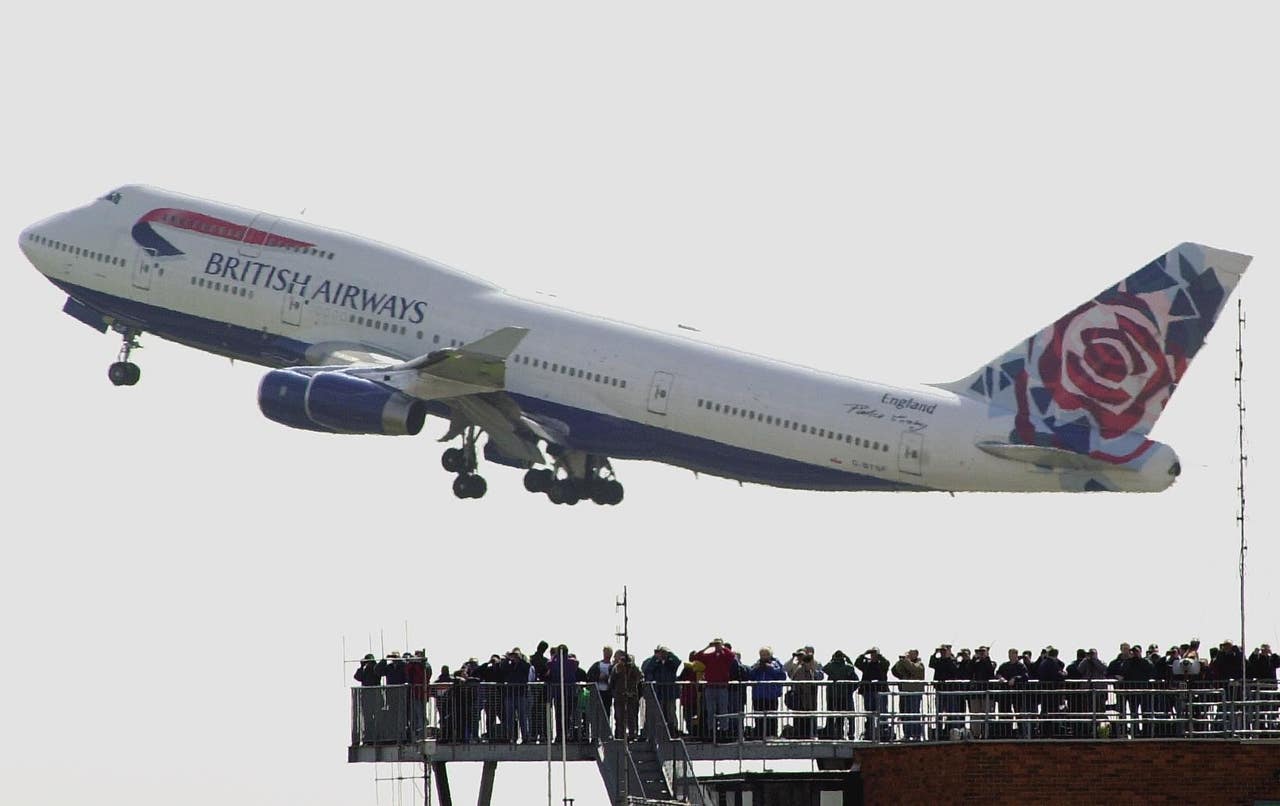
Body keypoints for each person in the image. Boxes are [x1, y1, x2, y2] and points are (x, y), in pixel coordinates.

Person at [695, 638, 736, 741]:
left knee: (723, 711)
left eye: (718, 644)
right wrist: (708, 647)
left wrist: (722, 647)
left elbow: (732, 655)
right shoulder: (710, 656)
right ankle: (711, 731)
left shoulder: (726, 656)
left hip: (722, 688)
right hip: (710, 687)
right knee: (710, 711)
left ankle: (724, 732)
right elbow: (697, 657)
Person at [784, 646, 823, 739]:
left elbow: (820, 676)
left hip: (810, 697)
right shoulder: (796, 666)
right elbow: (787, 670)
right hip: (799, 696)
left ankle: (812, 734)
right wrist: (793, 657)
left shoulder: (813, 665)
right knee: (799, 717)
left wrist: (811, 664)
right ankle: (800, 735)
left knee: (811, 716)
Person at [642, 645, 681, 736]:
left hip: (669, 693)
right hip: (658, 693)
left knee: (671, 712)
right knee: (658, 714)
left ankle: (673, 731)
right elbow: (647, 670)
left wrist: (669, 653)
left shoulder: (670, 663)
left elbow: (678, 662)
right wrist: (656, 657)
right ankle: (657, 732)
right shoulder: (653, 662)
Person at [749, 647, 787, 739]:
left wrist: (770, 668)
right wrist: (757, 668)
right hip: (758, 695)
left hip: (771, 695)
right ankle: (759, 734)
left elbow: (782, 676)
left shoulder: (776, 664)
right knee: (759, 717)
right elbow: (750, 675)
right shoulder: (757, 664)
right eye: (762, 655)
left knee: (772, 716)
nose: (764, 657)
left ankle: (772, 734)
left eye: (766, 654)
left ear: (770, 655)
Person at [822, 650, 859, 739]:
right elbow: (854, 676)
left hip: (833, 695)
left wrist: (831, 660)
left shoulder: (831, 666)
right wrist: (848, 659)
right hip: (846, 694)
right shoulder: (848, 667)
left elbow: (824, 668)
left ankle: (839, 734)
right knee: (850, 716)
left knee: (838, 717)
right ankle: (851, 734)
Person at [547, 645, 580, 743]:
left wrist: (554, 657)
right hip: (570, 692)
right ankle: (567, 735)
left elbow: (549, 664)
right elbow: (576, 662)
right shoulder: (572, 662)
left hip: (558, 693)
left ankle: (560, 736)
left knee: (559, 715)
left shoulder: (553, 663)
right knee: (568, 715)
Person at [499, 647, 533, 743]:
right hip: (509, 694)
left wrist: (520, 659)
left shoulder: (524, 665)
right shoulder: (509, 665)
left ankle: (525, 737)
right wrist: (507, 658)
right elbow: (502, 668)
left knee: (523, 717)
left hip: (521, 694)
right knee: (510, 718)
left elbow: (527, 667)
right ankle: (511, 737)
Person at [855, 648, 890, 740]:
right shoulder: (866, 664)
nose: (873, 656)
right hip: (868, 691)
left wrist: (879, 656)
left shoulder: (882, 664)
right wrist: (864, 654)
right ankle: (869, 732)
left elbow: (887, 664)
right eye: (872, 654)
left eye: (874, 654)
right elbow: (857, 663)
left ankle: (883, 732)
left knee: (882, 713)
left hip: (881, 691)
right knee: (869, 713)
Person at [892, 649, 926, 741]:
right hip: (905, 692)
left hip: (915, 692)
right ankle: (907, 734)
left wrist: (906, 661)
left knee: (914, 714)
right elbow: (895, 671)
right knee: (905, 713)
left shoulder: (920, 664)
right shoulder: (906, 664)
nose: (909, 655)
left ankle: (916, 735)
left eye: (911, 654)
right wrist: (900, 661)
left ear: (916, 654)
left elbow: (914, 669)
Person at [609, 651, 644, 740]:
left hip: (632, 696)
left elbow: (640, 677)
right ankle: (620, 736)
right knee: (619, 718)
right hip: (620, 696)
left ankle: (632, 735)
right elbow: (611, 682)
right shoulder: (617, 668)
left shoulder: (635, 669)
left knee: (632, 717)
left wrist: (632, 667)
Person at [995, 649, 1028, 738]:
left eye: (1012, 654)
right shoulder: (1004, 665)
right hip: (1005, 694)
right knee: (1005, 713)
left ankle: (1021, 732)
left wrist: (1015, 678)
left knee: (1019, 713)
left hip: (1017, 694)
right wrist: (1000, 677)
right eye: (1009, 654)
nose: (1010, 656)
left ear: (1016, 655)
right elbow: (998, 673)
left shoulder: (1021, 666)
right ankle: (1006, 732)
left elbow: (1025, 676)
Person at [929, 645, 960, 739]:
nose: (942, 652)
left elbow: (954, 670)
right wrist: (935, 653)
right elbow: (931, 664)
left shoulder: (952, 661)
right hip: (939, 690)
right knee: (939, 713)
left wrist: (949, 657)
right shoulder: (938, 661)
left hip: (950, 690)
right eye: (941, 651)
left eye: (944, 651)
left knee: (952, 713)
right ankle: (938, 733)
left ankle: (953, 732)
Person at [966, 647, 996, 739]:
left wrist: (986, 657)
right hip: (976, 692)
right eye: (980, 652)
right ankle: (975, 734)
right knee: (975, 715)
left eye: (983, 652)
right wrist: (974, 659)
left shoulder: (991, 662)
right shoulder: (976, 663)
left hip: (987, 692)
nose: (981, 654)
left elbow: (990, 671)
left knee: (986, 714)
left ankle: (986, 734)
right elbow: (969, 671)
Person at [586, 646, 615, 734]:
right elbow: (589, 676)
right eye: (605, 652)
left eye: (608, 653)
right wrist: (598, 676)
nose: (606, 654)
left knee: (606, 713)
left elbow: (614, 679)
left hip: (607, 693)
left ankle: (605, 733)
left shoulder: (613, 666)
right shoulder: (597, 665)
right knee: (595, 713)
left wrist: (607, 678)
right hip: (597, 692)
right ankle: (595, 733)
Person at [678, 651, 705, 739]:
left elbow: (679, 679)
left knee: (689, 716)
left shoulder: (689, 669)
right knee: (693, 716)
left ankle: (693, 732)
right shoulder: (701, 668)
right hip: (694, 697)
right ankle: (695, 733)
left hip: (690, 697)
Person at [529, 640, 551, 743]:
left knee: (534, 713)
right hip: (542, 689)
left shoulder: (532, 659)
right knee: (543, 713)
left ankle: (534, 734)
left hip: (534, 689)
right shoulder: (545, 661)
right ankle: (543, 734)